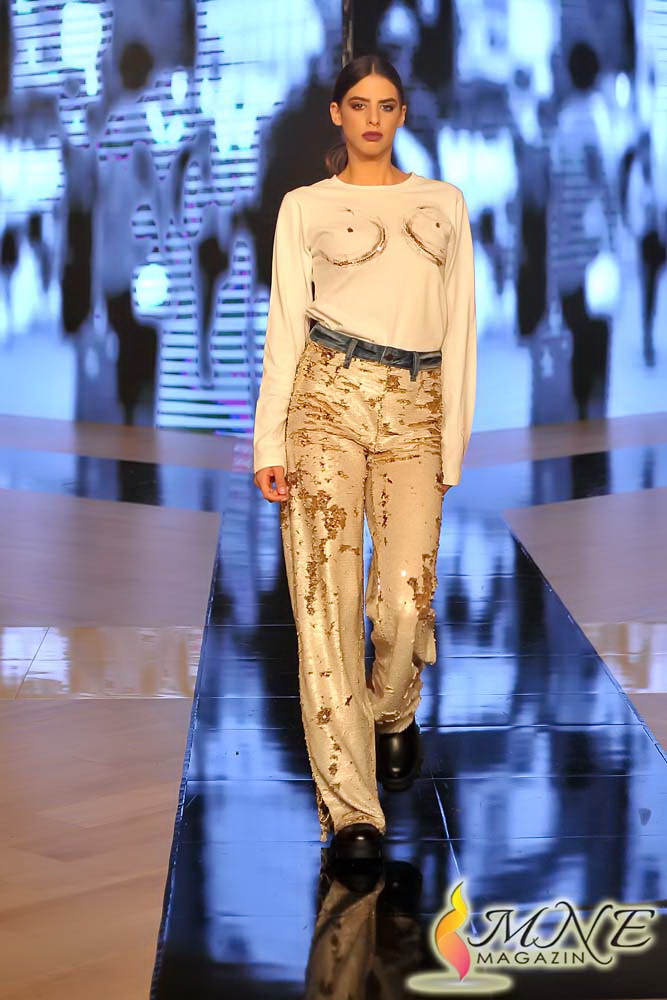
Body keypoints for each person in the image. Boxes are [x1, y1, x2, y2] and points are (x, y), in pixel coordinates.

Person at [253, 54, 477, 867]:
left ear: (402, 114)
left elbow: (461, 326)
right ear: (336, 114)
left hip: (416, 406)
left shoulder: (442, 203)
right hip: (326, 399)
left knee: (405, 602)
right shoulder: (305, 206)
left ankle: (392, 708)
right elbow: (286, 323)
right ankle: (351, 808)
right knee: (324, 600)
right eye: (358, 104)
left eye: (386, 105)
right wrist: (269, 440)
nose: (372, 118)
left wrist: (453, 439)